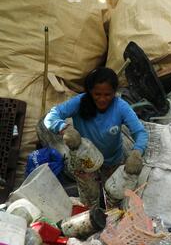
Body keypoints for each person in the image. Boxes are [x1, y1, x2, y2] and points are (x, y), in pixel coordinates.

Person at [43, 67, 148, 208]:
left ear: (115, 92)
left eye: (108, 94)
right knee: (90, 201)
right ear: (90, 91)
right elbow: (51, 116)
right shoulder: (79, 102)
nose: (102, 99)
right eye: (97, 94)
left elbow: (140, 132)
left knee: (114, 201)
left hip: (112, 161)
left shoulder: (121, 107)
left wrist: (137, 152)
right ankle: (90, 212)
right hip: (85, 160)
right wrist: (64, 129)